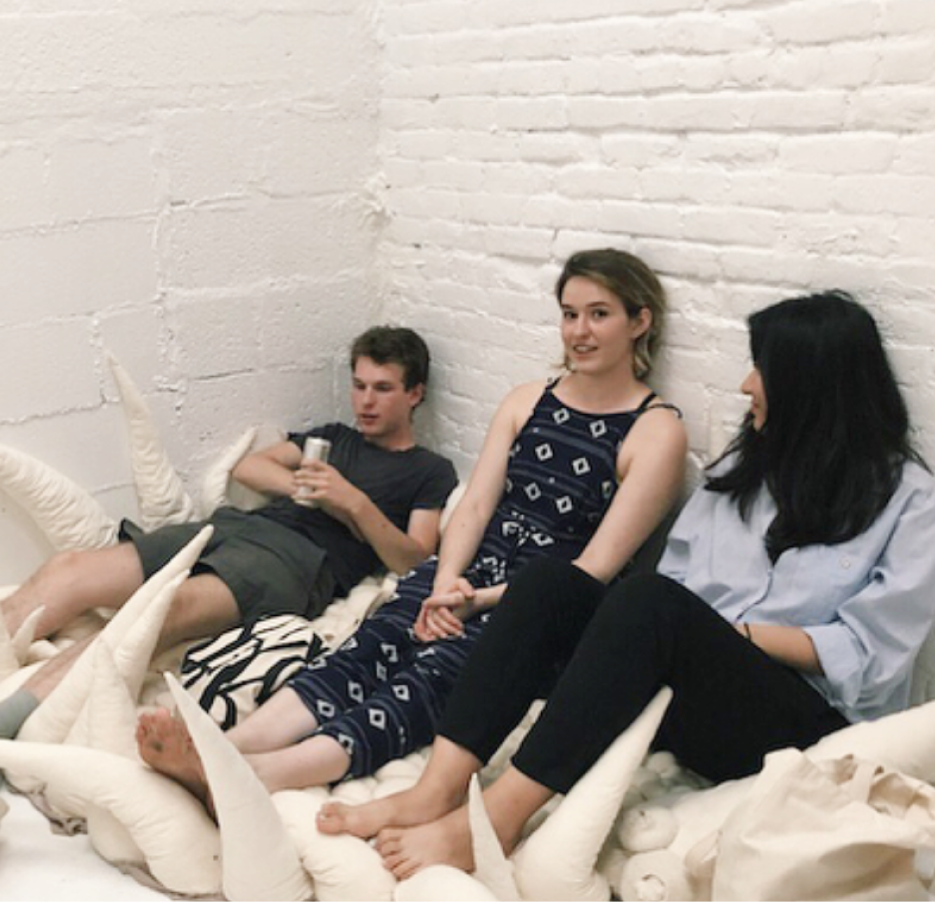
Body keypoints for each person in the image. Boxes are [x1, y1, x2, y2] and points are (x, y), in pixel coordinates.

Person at [320, 290, 935, 881]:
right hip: (689, 689)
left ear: (811, 387)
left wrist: (731, 634)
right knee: (551, 582)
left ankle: (499, 821)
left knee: (650, 602)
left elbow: (870, 656)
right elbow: (675, 586)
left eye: (761, 369)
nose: (747, 384)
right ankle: (436, 790)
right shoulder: (742, 473)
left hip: (802, 724)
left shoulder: (910, 501)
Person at [136, 248, 688, 804]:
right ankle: (225, 747)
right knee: (371, 643)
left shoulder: (655, 431)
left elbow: (593, 569)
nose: (579, 331)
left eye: (599, 314)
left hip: (543, 604)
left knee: (438, 672)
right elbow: (473, 508)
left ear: (639, 321)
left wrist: (478, 601)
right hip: (466, 571)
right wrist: (447, 580)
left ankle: (257, 778)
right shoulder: (528, 400)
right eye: (570, 314)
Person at [0, 326, 458, 739]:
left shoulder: (428, 470)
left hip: (297, 563)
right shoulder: (335, 437)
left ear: (415, 394)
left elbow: (414, 559)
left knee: (160, 611)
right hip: (238, 527)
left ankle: (13, 719)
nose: (366, 402)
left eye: (383, 389)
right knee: (70, 567)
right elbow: (251, 467)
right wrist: (310, 490)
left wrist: (352, 502)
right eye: (359, 386)